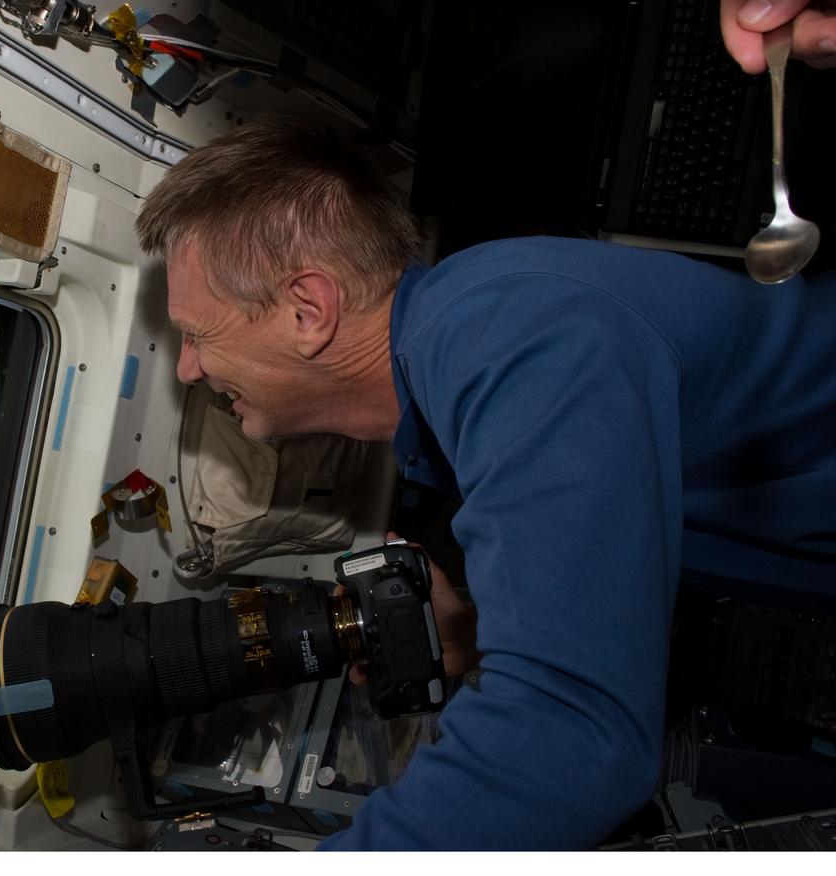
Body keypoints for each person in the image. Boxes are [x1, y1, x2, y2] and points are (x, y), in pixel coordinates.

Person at [133, 23, 836, 847]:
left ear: (307, 310)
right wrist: (469, 628)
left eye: (198, 333)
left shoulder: (501, 337)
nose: (188, 368)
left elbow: (572, 740)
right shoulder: (462, 366)